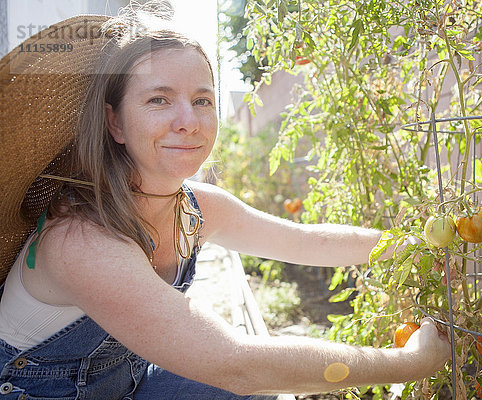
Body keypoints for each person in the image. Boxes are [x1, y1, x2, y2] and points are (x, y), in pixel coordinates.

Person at [0, 3, 450, 399]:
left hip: (128, 383)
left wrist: (410, 245)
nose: (188, 121)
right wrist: (409, 363)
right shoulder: (81, 239)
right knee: (252, 380)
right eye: (159, 99)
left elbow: (304, 241)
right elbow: (236, 364)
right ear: (114, 123)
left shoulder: (194, 208)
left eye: (202, 100)